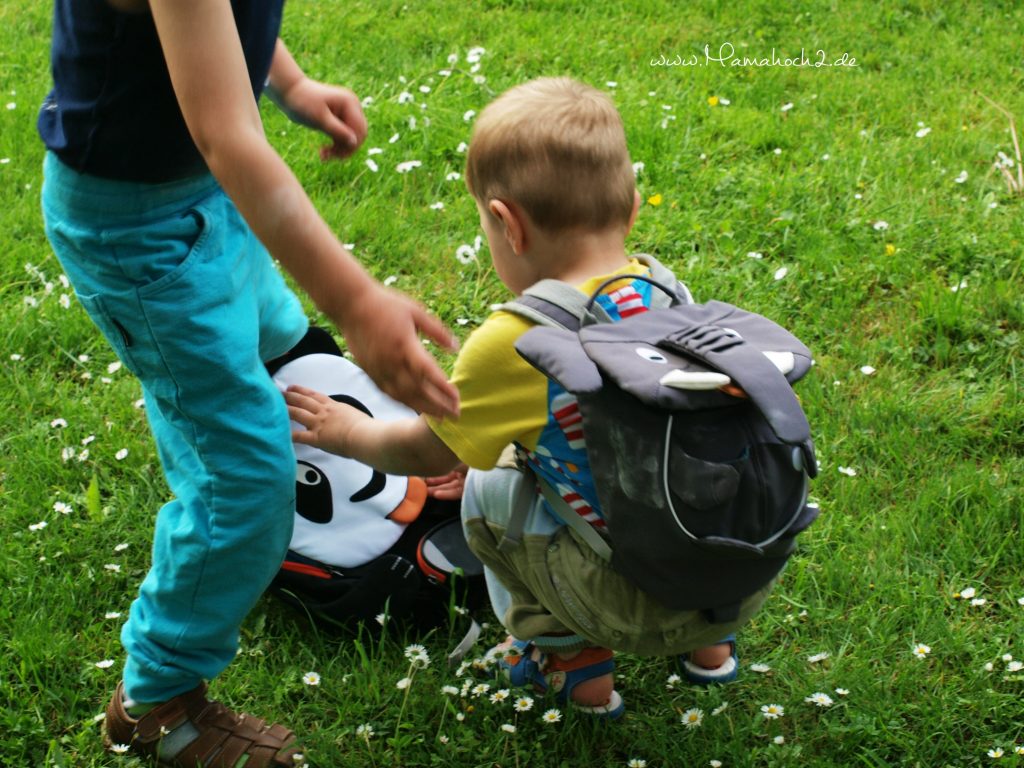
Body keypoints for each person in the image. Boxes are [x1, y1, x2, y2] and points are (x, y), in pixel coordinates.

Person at [38, 1, 458, 765]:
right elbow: (224, 132)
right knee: (240, 476)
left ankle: (374, 473)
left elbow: (219, 25)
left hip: (202, 199)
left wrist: (290, 84)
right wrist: (358, 302)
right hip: (141, 238)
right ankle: (155, 700)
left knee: (287, 351)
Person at [284, 77, 772, 721]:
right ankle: (712, 653)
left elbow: (426, 452)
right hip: (735, 575)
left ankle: (572, 664)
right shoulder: (667, 297)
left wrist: (347, 434)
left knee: (488, 486)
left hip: (623, 601)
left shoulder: (517, 342)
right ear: (629, 211)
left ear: (507, 225)